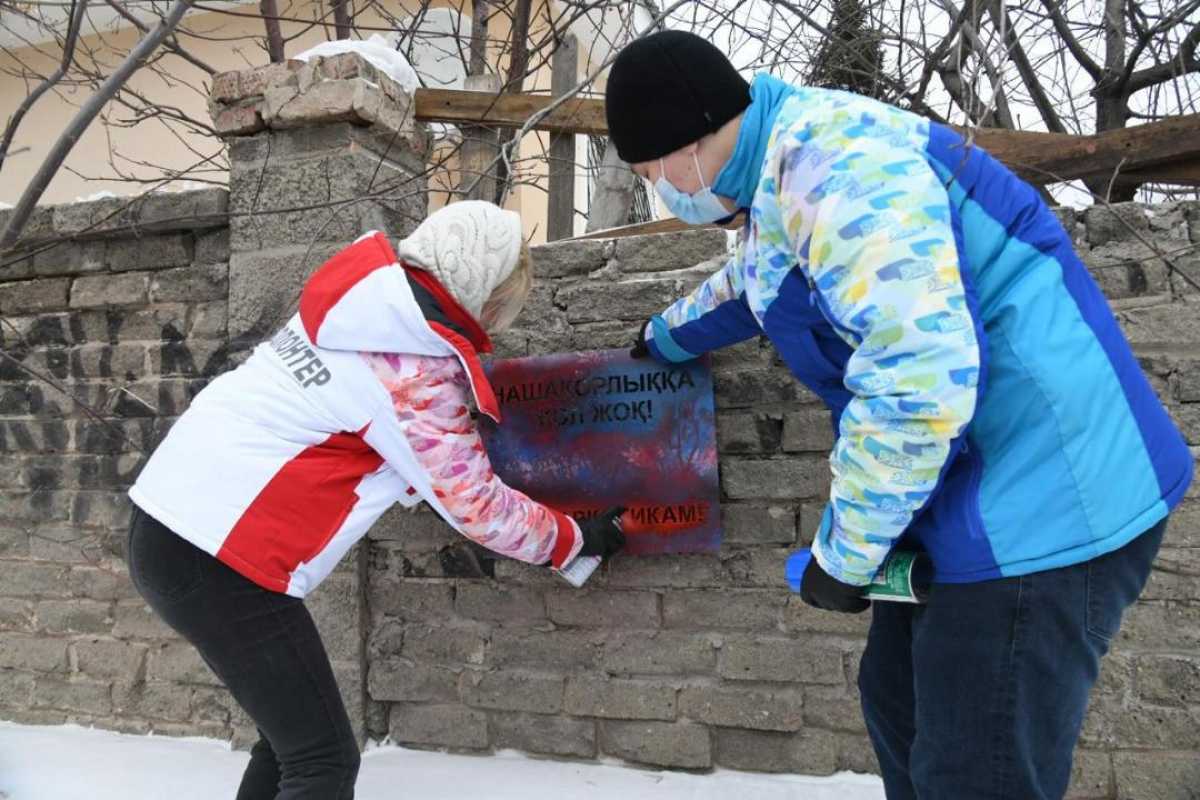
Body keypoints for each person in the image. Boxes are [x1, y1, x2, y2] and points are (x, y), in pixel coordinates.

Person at [605, 30, 1193, 800]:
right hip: (975, 485)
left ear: (687, 137)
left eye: (651, 168)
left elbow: (917, 380)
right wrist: (666, 336)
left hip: (1046, 497)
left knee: (971, 771)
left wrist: (842, 558)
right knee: (897, 704)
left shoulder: (841, 167)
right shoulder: (777, 176)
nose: (658, 187)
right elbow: (761, 280)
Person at [124, 200, 627, 800]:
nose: (498, 323)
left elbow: (345, 426)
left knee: (290, 745)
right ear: (479, 291)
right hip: (217, 557)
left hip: (168, 522)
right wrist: (574, 539)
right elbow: (478, 506)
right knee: (323, 761)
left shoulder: (360, 308)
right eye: (501, 305)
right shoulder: (411, 367)